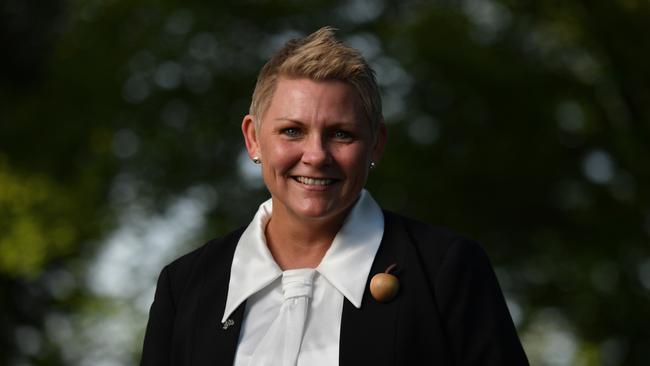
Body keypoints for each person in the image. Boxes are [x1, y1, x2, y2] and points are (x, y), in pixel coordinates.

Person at [140, 27, 529, 366]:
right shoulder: (186, 285)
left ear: (375, 144)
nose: (315, 156)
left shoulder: (447, 270)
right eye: (292, 131)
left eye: (341, 134)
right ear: (253, 138)